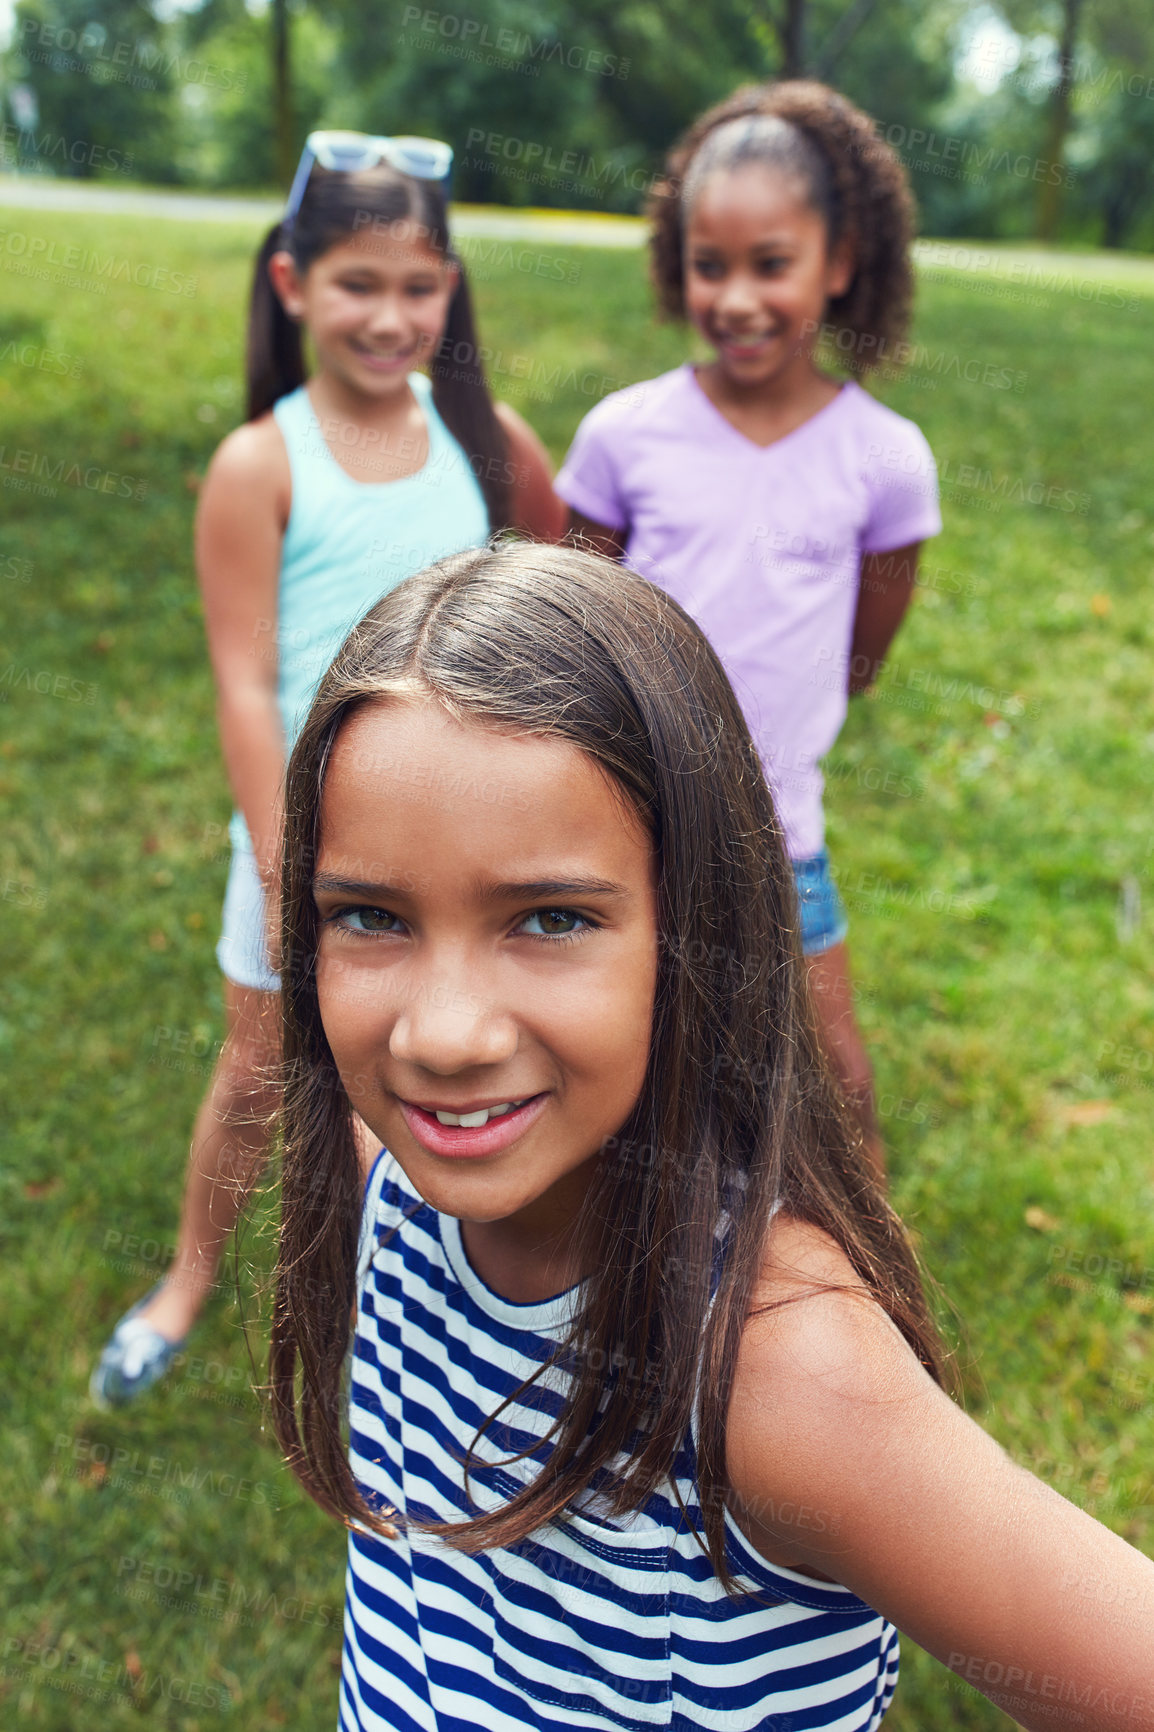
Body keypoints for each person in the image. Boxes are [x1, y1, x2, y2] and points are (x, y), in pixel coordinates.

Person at [271, 542, 1154, 1732]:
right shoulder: (387, 1184)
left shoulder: (775, 1373)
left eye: (547, 917)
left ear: (694, 926)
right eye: (371, 915)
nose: (443, 1033)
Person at [90, 131, 563, 1406]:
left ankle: (432, 1316)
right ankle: (187, 1278)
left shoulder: (486, 437)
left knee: (430, 1070)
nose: (390, 316)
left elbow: (548, 588)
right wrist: (277, 847)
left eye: (418, 288)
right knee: (257, 1072)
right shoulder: (262, 465)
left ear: (450, 292)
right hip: (306, 839)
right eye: (357, 284)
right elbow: (245, 680)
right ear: (293, 284)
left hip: (461, 841)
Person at [556, 81, 941, 1182]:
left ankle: (866, 1273)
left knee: (830, 1074)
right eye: (706, 264)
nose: (734, 297)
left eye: (768, 263)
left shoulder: (884, 458)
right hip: (623, 821)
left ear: (838, 260)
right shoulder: (623, 435)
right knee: (628, 1066)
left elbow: (863, 658)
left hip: (780, 834)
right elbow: (573, 632)